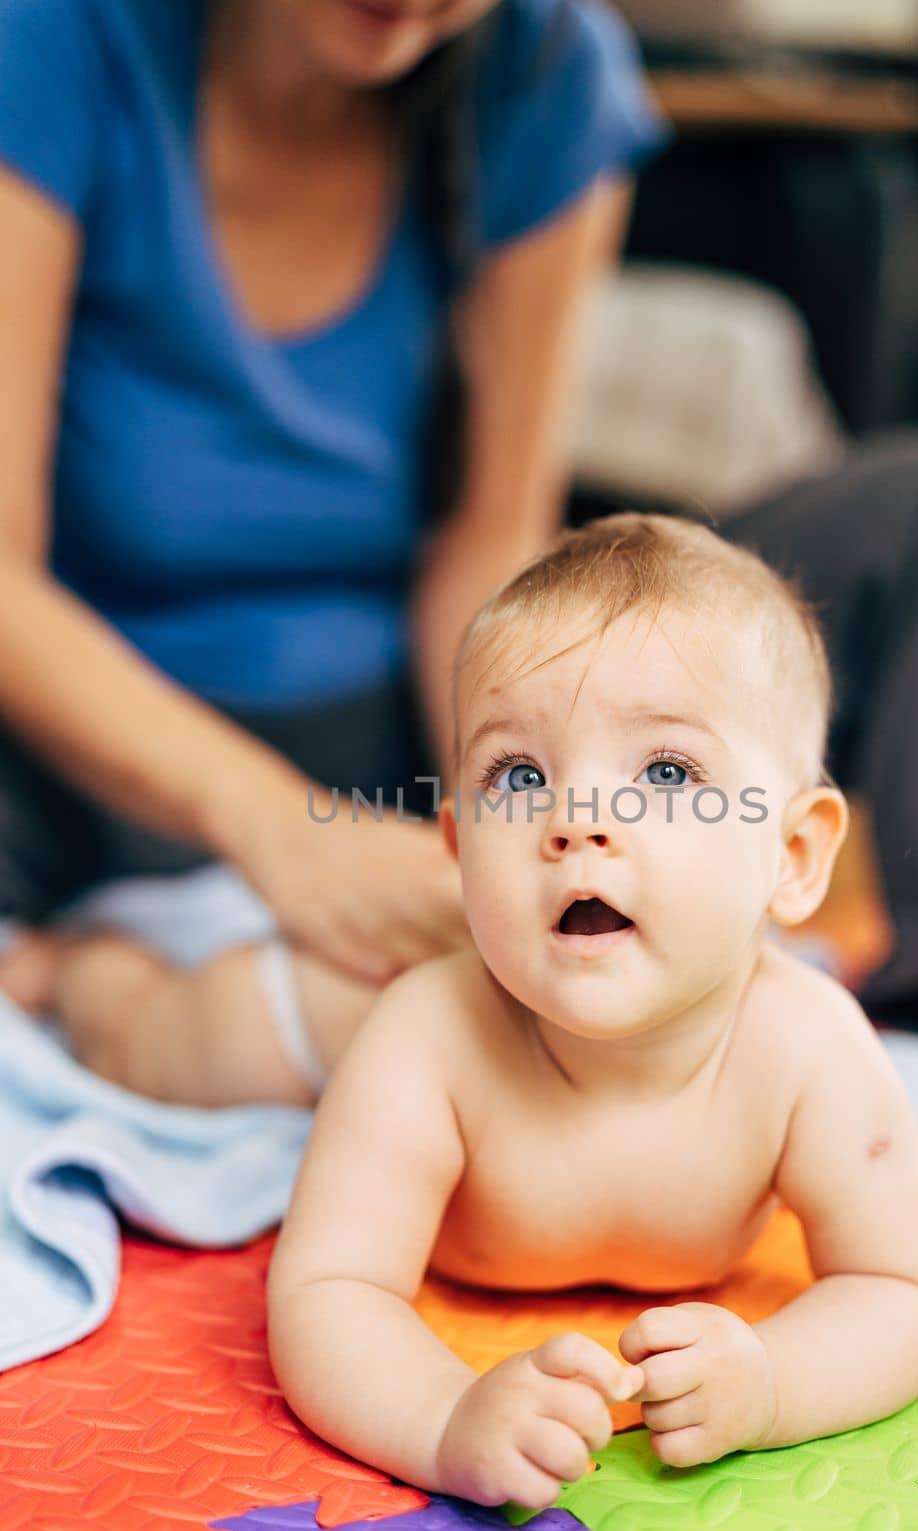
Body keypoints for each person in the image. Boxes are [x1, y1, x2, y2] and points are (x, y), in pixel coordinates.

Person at [265, 513, 918, 1508]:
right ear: (460, 852)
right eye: (519, 775)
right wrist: (440, 1417)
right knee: (191, 1032)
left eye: (666, 772)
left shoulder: (806, 1049)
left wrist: (770, 1381)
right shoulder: (423, 1040)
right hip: (333, 987)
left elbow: (909, 1289)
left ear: (793, 856)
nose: (577, 821)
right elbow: (325, 1291)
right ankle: (74, 971)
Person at [0, 0, 668, 1013]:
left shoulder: (545, 67)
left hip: (380, 748)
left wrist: (520, 831)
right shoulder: (53, 37)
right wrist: (285, 831)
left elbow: (492, 540)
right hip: (75, 769)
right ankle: (79, 979)